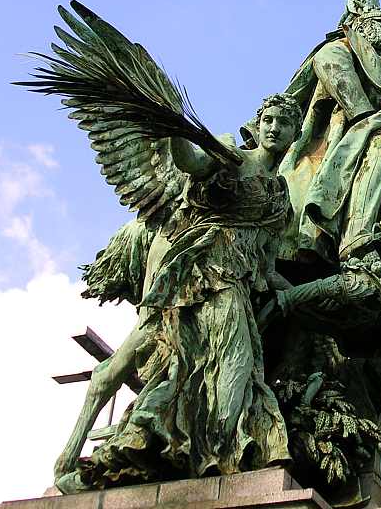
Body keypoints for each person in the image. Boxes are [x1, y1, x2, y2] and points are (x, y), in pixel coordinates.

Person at [61, 93, 303, 491]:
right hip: (203, 271)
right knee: (235, 363)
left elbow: (265, 267)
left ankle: (207, 454)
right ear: (258, 126)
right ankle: (216, 459)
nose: (275, 128)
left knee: (235, 367)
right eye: (270, 121)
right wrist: (174, 129)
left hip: (236, 282)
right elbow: (191, 162)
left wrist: (312, 295)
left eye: (284, 123)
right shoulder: (232, 155)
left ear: (296, 133)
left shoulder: (280, 196)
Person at [279, 0, 381, 262]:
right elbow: (329, 63)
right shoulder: (343, 46)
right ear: (365, 28)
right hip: (356, 127)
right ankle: (356, 235)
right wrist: (363, 113)